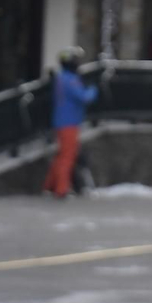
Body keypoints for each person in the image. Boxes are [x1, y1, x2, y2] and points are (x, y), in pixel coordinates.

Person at [45, 46, 99, 197]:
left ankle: (50, 185)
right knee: (67, 156)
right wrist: (94, 89)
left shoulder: (61, 77)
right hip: (69, 122)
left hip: (61, 121)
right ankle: (61, 189)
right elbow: (84, 97)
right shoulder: (70, 79)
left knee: (61, 155)